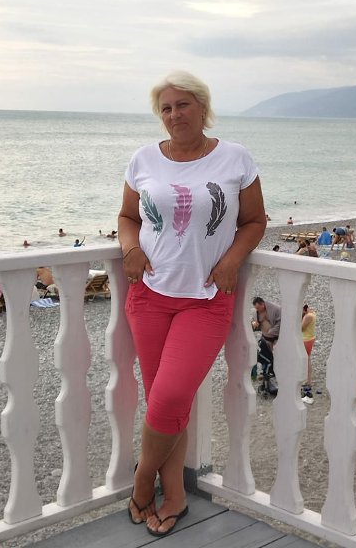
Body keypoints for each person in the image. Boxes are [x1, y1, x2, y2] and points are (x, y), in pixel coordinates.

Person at [118, 70, 266, 537]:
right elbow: (127, 216)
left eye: (182, 104)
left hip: (205, 300)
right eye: (165, 107)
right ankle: (176, 495)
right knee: (165, 403)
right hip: (149, 297)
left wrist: (232, 261)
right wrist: (130, 249)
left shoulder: (235, 157)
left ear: (202, 107)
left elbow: (255, 221)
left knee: (169, 398)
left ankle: (143, 481)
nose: (174, 114)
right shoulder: (143, 159)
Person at [251, 297, 281, 395]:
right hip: (265, 337)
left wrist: (272, 332)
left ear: (263, 304)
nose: (257, 310)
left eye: (258, 308)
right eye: (256, 308)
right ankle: (268, 375)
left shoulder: (275, 309)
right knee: (267, 357)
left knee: (277, 356)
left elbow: (280, 322)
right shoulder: (256, 312)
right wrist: (254, 324)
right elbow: (254, 323)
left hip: (276, 337)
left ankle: (277, 374)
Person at [301, 304, 316, 404]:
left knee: (306, 361)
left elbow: (301, 328)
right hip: (310, 338)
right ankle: (308, 380)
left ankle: (307, 380)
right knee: (308, 359)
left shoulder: (307, 317)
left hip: (306, 339)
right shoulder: (312, 313)